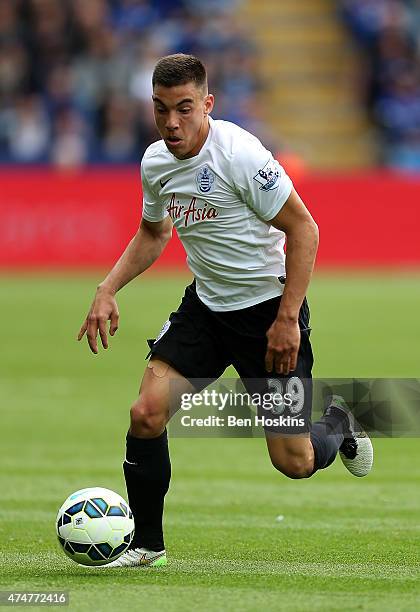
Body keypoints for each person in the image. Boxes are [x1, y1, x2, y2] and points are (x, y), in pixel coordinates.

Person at [78, 54, 373, 568]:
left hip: (267, 314)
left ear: (207, 104)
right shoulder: (155, 163)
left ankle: (338, 424)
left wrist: (287, 320)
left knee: (295, 461)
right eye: (161, 109)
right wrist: (108, 288)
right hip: (207, 308)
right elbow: (154, 232)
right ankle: (147, 546)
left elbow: (305, 230)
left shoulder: (239, 155)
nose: (172, 123)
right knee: (145, 414)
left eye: (185, 109)